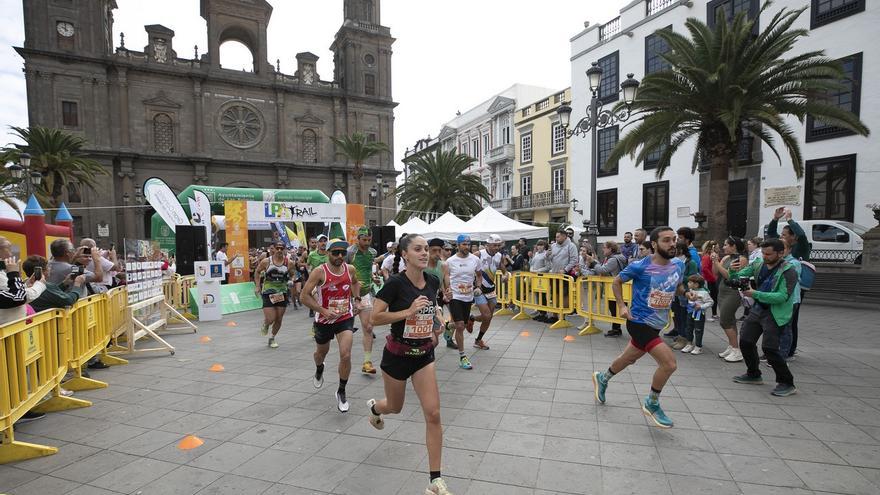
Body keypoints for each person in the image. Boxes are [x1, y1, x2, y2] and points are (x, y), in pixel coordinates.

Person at [366, 234, 453, 495]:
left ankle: (435, 480)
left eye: (427, 249)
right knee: (394, 407)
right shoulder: (394, 284)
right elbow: (375, 317)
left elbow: (433, 308)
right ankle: (375, 408)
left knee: (434, 414)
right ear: (405, 254)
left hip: (424, 355)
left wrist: (438, 323)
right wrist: (408, 312)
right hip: (397, 356)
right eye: (418, 249)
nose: (425, 253)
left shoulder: (433, 280)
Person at [592, 226, 685, 428]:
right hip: (638, 322)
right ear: (654, 244)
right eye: (666, 240)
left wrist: (689, 295)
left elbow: (677, 287)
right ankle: (652, 403)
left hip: (657, 324)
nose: (672, 244)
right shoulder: (640, 266)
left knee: (629, 358)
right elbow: (616, 282)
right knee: (669, 364)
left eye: (674, 239)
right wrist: (622, 306)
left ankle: (603, 377)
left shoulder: (678, 265)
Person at [730, 239, 799, 397]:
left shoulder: (789, 270)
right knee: (746, 341)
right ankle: (753, 374)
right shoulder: (759, 264)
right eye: (763, 253)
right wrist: (733, 271)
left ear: (781, 253)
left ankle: (787, 382)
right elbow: (738, 277)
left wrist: (755, 294)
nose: (765, 256)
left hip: (776, 313)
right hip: (758, 308)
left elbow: (783, 296)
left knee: (770, 349)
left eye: (768, 254)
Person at [300, 239, 362, 412]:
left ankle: (341, 391)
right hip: (324, 321)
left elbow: (356, 283)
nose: (340, 256)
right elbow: (304, 296)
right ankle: (319, 368)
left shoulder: (350, 269)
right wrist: (323, 310)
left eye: (343, 253)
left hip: (345, 318)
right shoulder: (319, 272)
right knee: (321, 353)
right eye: (336, 253)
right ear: (328, 253)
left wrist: (356, 299)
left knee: (346, 355)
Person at [346, 227, 380, 374]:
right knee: (338, 327)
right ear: (357, 239)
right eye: (364, 240)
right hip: (347, 295)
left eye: (369, 240)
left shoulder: (372, 253)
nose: (366, 243)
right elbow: (342, 270)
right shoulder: (349, 252)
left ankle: (367, 362)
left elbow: (367, 269)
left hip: (365, 295)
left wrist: (374, 278)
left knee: (368, 327)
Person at [446, 235, 481, 369]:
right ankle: (462, 357)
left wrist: (478, 287)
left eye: (468, 244)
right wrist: (447, 290)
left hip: (468, 297)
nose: (467, 247)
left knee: (463, 325)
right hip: (455, 296)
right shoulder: (450, 261)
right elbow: (446, 277)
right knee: (461, 326)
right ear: (458, 245)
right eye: (464, 244)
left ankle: (448, 327)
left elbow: (479, 275)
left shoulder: (475, 259)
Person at [466, 234, 506, 349]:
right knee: (487, 316)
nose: (497, 248)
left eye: (498, 245)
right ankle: (472, 321)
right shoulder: (479, 254)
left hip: (491, 289)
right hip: (479, 289)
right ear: (488, 244)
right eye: (494, 245)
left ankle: (477, 338)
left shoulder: (499, 256)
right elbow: (467, 264)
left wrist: (505, 275)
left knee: (489, 318)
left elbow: (503, 269)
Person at [712, 237, 749, 362]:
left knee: (725, 320)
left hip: (733, 292)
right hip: (722, 291)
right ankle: (732, 346)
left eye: (726, 245)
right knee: (730, 320)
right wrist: (715, 261)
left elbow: (730, 276)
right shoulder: (726, 258)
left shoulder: (742, 259)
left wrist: (717, 263)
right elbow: (715, 273)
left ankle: (736, 350)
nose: (723, 247)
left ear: (734, 246)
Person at [254, 242, 297, 348]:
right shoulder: (266, 261)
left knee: (279, 318)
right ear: (272, 249)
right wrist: (258, 286)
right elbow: (257, 272)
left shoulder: (289, 263)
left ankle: (272, 338)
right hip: (268, 292)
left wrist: (291, 280)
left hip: (281, 293)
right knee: (271, 318)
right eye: (277, 248)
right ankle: (266, 323)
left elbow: (293, 274)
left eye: (281, 248)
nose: (279, 250)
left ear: (284, 250)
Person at [583, 241, 628, 337]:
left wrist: (593, 262)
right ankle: (616, 328)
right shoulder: (611, 258)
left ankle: (617, 329)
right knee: (613, 308)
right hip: (615, 286)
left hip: (616, 286)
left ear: (610, 249)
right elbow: (602, 268)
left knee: (615, 308)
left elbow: (603, 270)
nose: (603, 249)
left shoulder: (613, 259)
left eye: (604, 247)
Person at [0, 236, 46, 325]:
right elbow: (19, 297)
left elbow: (10, 292)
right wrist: (39, 285)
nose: (10, 254)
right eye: (7, 249)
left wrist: (26, 284)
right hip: (8, 330)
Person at [670, 240, 699, 350]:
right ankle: (680, 335)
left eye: (674, 248)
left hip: (685, 292)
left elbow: (693, 277)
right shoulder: (673, 261)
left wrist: (679, 276)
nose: (672, 250)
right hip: (675, 292)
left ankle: (685, 339)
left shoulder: (690, 262)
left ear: (681, 250)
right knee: (677, 315)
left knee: (684, 316)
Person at [547, 230, 578, 324]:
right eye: (556, 237)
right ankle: (554, 315)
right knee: (555, 294)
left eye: (558, 237)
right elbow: (550, 259)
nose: (556, 239)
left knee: (564, 295)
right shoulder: (553, 246)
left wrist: (565, 269)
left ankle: (562, 316)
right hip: (554, 273)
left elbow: (574, 259)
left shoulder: (571, 246)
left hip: (565, 275)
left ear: (564, 236)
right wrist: (547, 255)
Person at [681, 274, 713, 355]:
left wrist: (701, 306)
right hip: (690, 312)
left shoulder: (704, 293)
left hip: (699, 314)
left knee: (698, 330)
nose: (688, 283)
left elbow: (710, 302)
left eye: (690, 282)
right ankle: (689, 344)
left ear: (696, 284)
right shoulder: (690, 291)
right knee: (688, 328)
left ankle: (698, 346)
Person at [528, 239, 550, 322]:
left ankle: (544, 313)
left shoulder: (545, 254)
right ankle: (539, 311)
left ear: (544, 246)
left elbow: (548, 267)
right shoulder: (536, 254)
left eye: (541, 245)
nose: (539, 246)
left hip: (542, 277)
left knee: (543, 295)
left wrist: (537, 271)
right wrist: (532, 269)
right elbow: (532, 264)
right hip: (535, 276)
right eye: (538, 245)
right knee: (537, 293)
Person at [700, 241, 719, 321]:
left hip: (712, 280)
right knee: (710, 298)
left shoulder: (711, 256)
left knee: (713, 297)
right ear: (713, 248)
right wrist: (713, 277)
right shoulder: (707, 257)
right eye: (717, 247)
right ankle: (709, 314)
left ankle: (714, 314)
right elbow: (704, 269)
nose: (719, 249)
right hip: (709, 280)